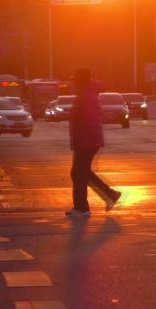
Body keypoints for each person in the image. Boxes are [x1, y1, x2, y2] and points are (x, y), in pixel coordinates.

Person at [65, 68, 121, 219]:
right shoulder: (86, 95)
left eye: (75, 81)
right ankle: (110, 194)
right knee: (82, 172)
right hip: (87, 139)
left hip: (87, 140)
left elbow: (88, 119)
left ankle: (82, 208)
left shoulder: (86, 97)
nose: (73, 84)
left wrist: (73, 115)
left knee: (78, 173)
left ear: (80, 82)